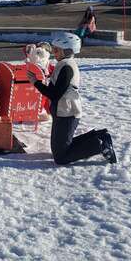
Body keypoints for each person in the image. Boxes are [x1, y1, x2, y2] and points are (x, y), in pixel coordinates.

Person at [27, 32, 116, 165]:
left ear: (67, 50)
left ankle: (100, 145)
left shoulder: (67, 67)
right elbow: (54, 88)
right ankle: (100, 137)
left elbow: (55, 94)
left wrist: (36, 82)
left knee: (60, 157)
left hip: (68, 113)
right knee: (59, 149)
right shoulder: (63, 64)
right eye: (53, 49)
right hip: (62, 112)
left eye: (57, 50)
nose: (54, 53)